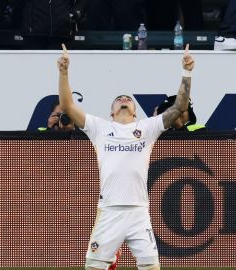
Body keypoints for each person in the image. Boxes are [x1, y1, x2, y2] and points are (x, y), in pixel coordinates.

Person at [57, 43, 194, 270]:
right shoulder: (99, 128)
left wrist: (187, 71)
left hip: (139, 212)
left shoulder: (148, 128)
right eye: (119, 98)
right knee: (93, 266)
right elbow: (67, 106)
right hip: (110, 211)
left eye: (127, 98)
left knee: (151, 266)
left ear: (135, 111)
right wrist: (63, 72)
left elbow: (180, 106)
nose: (124, 99)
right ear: (111, 112)